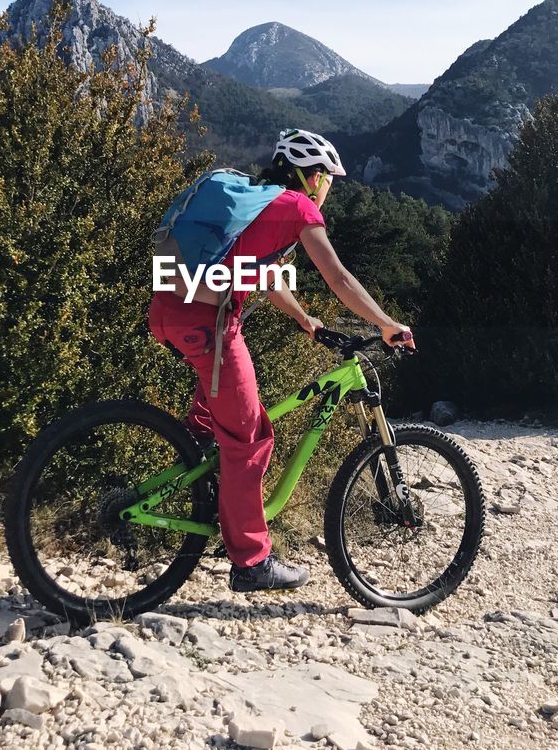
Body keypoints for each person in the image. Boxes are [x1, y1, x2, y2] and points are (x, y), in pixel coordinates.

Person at [148, 129, 416, 592]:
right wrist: (384, 322)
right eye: (329, 177)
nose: (330, 186)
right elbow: (338, 276)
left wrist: (306, 319)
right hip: (209, 327)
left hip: (170, 311)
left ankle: (199, 486)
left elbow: (265, 275)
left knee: (216, 424)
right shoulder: (298, 207)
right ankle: (251, 562)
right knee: (251, 438)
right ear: (312, 177)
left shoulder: (259, 201)